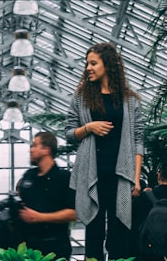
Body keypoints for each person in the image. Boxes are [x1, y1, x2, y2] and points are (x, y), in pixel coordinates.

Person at [65, 41, 143, 261]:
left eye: (93, 63)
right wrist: (88, 128)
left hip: (121, 174)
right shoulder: (81, 98)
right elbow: (69, 134)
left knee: (119, 233)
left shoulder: (130, 100)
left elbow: (138, 139)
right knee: (94, 231)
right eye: (87, 63)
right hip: (92, 173)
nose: (88, 68)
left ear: (108, 65)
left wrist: (136, 178)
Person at [16, 131, 78, 259]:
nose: (30, 150)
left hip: (55, 248)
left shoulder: (64, 178)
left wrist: (39, 217)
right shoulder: (29, 176)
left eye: (34, 145)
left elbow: (74, 213)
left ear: (46, 150)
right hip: (28, 249)